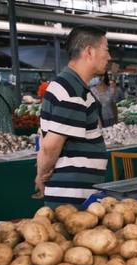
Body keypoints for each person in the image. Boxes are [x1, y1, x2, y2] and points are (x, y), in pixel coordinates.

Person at [35, 26, 110, 207]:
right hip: (70, 198)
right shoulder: (70, 90)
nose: (109, 57)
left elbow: (45, 138)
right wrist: (40, 176)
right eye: (106, 50)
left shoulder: (75, 88)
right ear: (89, 52)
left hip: (78, 193)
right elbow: (50, 147)